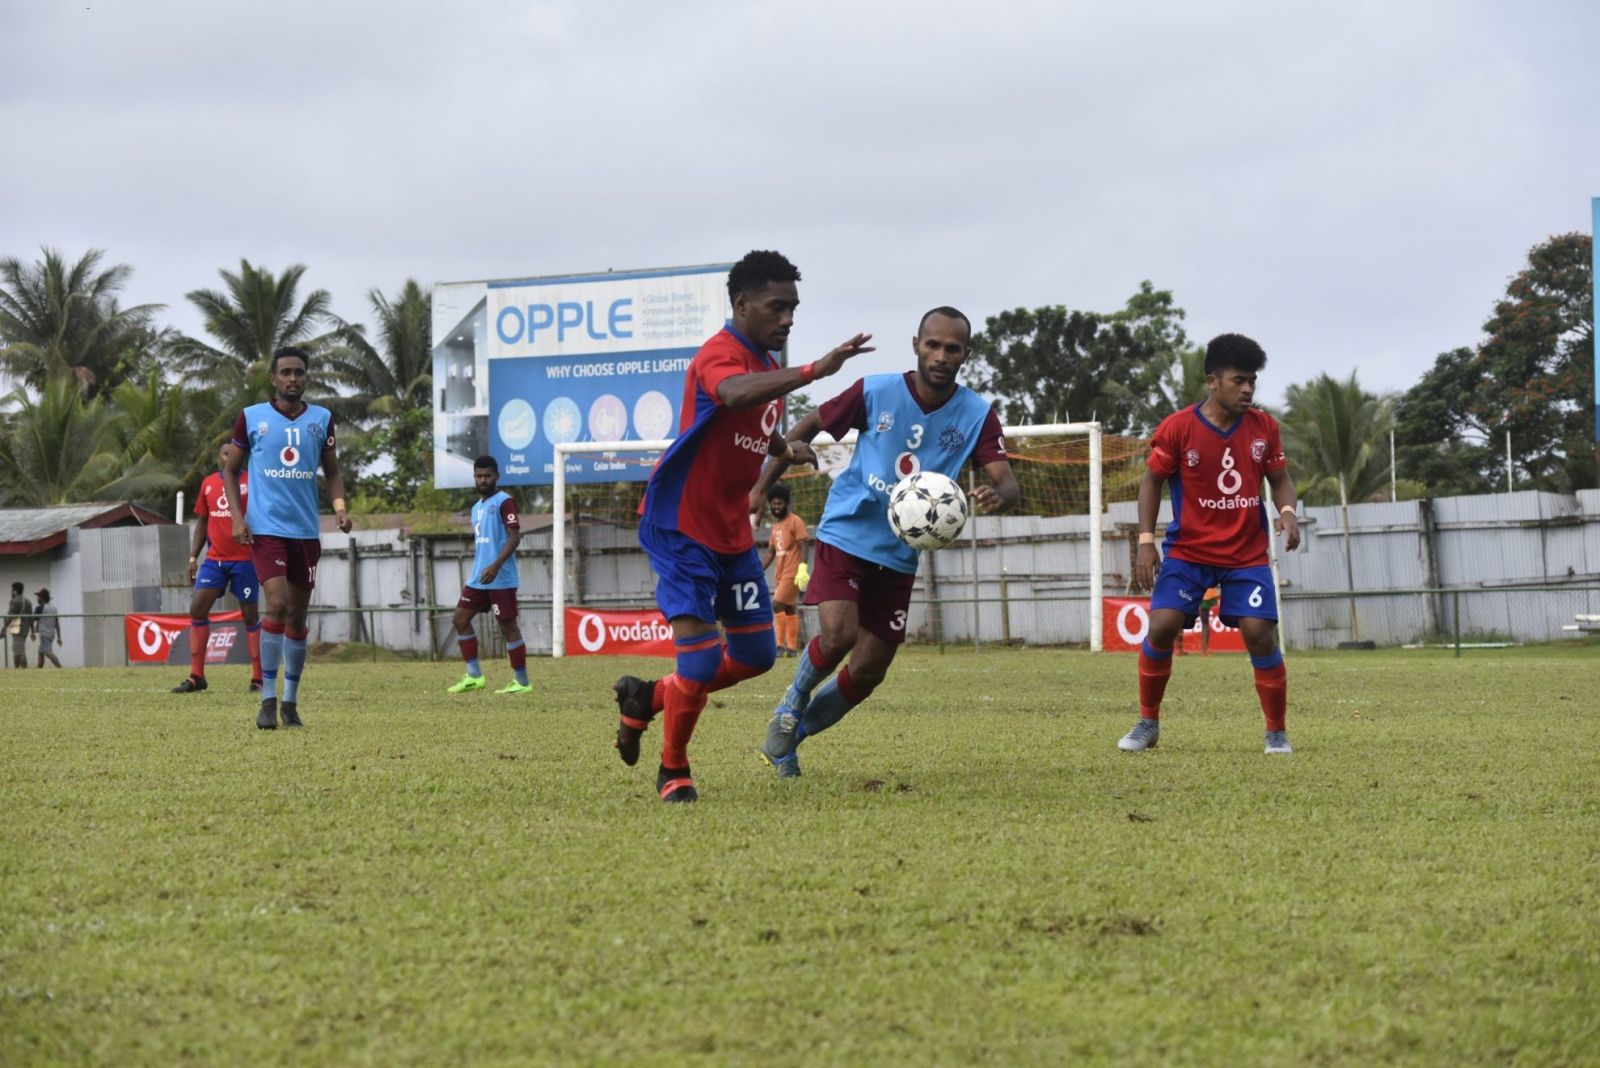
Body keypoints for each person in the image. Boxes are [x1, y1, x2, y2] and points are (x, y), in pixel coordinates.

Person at [609, 249, 873, 802]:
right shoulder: (720, 356)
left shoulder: (761, 368)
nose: (788, 319)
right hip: (680, 524)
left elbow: (755, 420)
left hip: (728, 531)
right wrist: (813, 371)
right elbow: (729, 395)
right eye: (777, 307)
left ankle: (646, 699)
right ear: (742, 304)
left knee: (753, 657)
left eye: (794, 308)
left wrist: (788, 448)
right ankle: (673, 770)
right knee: (701, 660)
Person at [752, 306, 1019, 777]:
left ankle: (790, 739)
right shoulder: (875, 390)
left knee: (870, 669)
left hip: (900, 553)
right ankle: (789, 705)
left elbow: (1007, 481)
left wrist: (998, 494)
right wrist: (760, 485)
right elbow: (807, 425)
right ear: (916, 344)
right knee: (838, 635)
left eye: (952, 349)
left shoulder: (977, 414)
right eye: (932, 345)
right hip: (847, 531)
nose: (940, 355)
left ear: (965, 356)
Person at [1116, 333, 1300, 755]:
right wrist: (1147, 541)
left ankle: (1276, 731)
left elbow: (1280, 480)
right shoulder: (1178, 428)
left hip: (1246, 555)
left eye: (1253, 381)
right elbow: (1152, 481)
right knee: (1161, 626)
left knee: (1259, 633)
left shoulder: (1264, 428)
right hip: (1189, 552)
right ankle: (1148, 723)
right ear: (1213, 381)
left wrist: (1286, 513)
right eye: (1239, 380)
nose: (1248, 389)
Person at [222, 345, 352, 730]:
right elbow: (231, 470)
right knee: (275, 605)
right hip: (265, 530)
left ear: (306, 378)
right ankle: (267, 699)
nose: (292, 378)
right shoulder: (251, 418)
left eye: (299, 372)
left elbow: (332, 472)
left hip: (305, 533)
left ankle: (291, 703)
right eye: (286, 373)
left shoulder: (322, 420)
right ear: (273, 379)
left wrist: (340, 508)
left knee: (297, 616)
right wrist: (237, 518)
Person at [173, 447, 263, 693]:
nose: (228, 456)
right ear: (218, 457)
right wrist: (193, 557)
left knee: (250, 616)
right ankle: (196, 677)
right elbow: (203, 521)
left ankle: (258, 678)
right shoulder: (209, 484)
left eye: (233, 453)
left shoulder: (252, 482)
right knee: (197, 609)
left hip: (245, 560)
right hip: (214, 561)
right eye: (224, 453)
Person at [447, 455, 530, 695]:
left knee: (507, 626)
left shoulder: (505, 502)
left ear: (496, 477)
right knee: (460, 620)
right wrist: (486, 568)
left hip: (500, 577)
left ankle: (522, 681)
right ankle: (474, 676)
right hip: (479, 578)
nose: (483, 480)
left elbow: (515, 537)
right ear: (474, 477)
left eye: (487, 476)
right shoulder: (476, 508)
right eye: (479, 476)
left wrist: (496, 565)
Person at [760, 482, 808, 657]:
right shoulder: (775, 527)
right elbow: (771, 553)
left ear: (786, 503)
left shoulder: (795, 521)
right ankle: (792, 648)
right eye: (773, 504)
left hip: (793, 571)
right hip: (780, 572)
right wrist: (758, 570)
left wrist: (803, 568)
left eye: (779, 503)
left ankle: (779, 646)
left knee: (777, 604)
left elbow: (804, 545)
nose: (776, 507)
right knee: (788, 609)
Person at [32, 588, 62, 668]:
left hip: (44, 634)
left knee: (48, 652)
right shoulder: (53, 609)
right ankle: (39, 671)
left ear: (42, 598)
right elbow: (57, 624)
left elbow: (32, 620)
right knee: (40, 652)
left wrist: (32, 632)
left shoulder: (39, 608)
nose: (37, 598)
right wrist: (59, 637)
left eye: (38, 596)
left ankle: (60, 668)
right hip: (51, 634)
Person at [6, 581, 31, 668]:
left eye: (12, 590)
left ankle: (21, 671)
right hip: (25, 629)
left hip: (17, 629)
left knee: (19, 652)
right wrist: (33, 631)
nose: (11, 592)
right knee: (19, 650)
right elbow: (31, 617)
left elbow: (10, 617)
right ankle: (18, 670)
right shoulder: (27, 601)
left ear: (15, 591)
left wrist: (3, 628)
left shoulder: (14, 601)